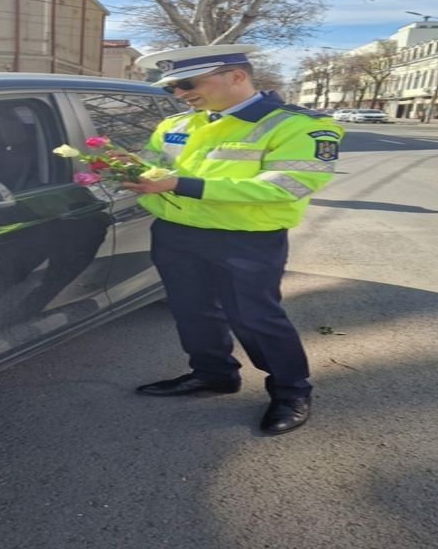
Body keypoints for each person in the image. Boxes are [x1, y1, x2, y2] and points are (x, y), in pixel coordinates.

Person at [123, 44, 344, 435]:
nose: (179, 94)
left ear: (236, 76)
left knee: (256, 319)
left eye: (187, 83)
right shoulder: (177, 124)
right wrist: (122, 165)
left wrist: (179, 183)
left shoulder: (299, 125)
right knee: (192, 311)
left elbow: (285, 186)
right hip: (176, 233)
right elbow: (153, 164)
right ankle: (213, 374)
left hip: (245, 240)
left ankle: (291, 392)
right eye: (171, 88)